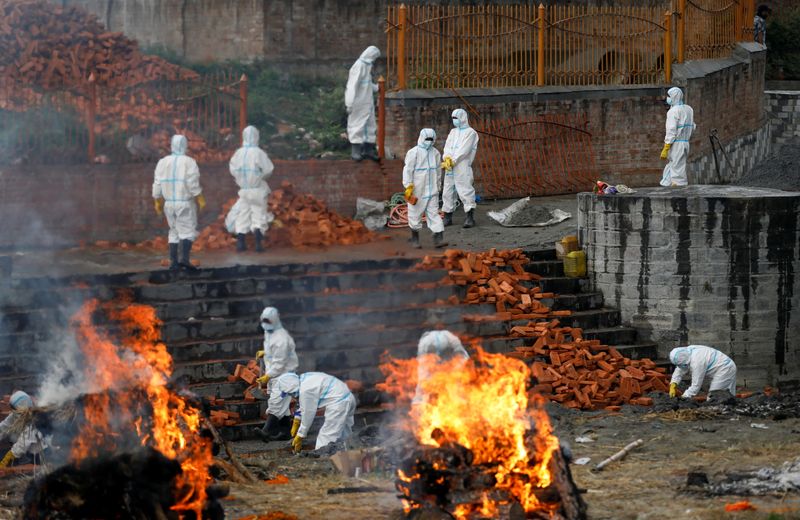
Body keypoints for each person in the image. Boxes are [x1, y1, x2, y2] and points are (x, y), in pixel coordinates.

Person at [153, 134, 205, 271]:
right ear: (185, 145)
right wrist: (200, 198)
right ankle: (184, 260)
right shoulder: (189, 162)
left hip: (169, 204)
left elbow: (157, 183)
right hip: (185, 203)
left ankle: (173, 262)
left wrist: (157, 200)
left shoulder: (162, 162)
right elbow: (192, 183)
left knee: (174, 231)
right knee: (187, 230)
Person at [271, 372, 356, 454]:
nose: (291, 395)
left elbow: (308, 413)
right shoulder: (303, 380)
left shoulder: (306, 391)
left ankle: (322, 458)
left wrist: (300, 435)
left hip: (340, 403)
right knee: (344, 433)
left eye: (290, 393)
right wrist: (297, 420)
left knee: (326, 436)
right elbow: (305, 405)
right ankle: (351, 452)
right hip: (348, 397)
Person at [225, 126, 275, 252]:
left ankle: (241, 244)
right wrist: (260, 177)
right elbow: (269, 169)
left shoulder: (238, 153)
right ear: (256, 136)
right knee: (259, 214)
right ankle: (258, 245)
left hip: (244, 190)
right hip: (257, 189)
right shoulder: (259, 153)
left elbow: (233, 170)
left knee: (243, 214)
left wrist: (241, 178)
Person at [253, 307, 299, 442]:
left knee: (276, 403)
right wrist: (265, 353)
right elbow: (273, 351)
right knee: (283, 408)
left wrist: (267, 376)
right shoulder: (270, 332)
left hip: (284, 375)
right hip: (275, 375)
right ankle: (285, 432)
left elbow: (280, 363)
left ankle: (266, 431)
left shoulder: (282, 339)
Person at [403, 128, 447, 249]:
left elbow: (438, 171)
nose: (429, 141)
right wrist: (408, 185)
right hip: (417, 190)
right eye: (427, 139)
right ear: (422, 138)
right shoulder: (414, 152)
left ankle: (438, 239)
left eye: (431, 139)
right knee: (414, 214)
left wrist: (438, 186)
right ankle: (415, 239)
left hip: (432, 191)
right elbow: (408, 170)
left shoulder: (436, 153)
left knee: (434, 214)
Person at [441, 108, 479, 228]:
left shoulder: (471, 133)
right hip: (450, 166)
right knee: (447, 190)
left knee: (465, 190)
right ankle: (448, 217)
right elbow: (447, 146)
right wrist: (446, 158)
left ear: (462, 118)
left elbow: (465, 150)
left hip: (462, 165)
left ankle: (469, 217)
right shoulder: (453, 132)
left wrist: (453, 160)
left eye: (456, 118)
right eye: (452, 118)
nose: (454, 120)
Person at [345, 46, 381, 162]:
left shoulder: (367, 66)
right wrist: (349, 103)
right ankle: (356, 150)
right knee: (357, 124)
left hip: (367, 102)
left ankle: (368, 149)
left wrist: (378, 88)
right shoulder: (359, 66)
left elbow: (367, 84)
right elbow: (352, 86)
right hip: (358, 102)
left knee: (370, 125)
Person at [414, 330, 469, 403]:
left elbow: (463, 356)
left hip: (452, 368)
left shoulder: (451, 339)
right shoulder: (426, 343)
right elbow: (421, 386)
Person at [0, 391, 50, 468]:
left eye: (14, 408)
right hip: (25, 452)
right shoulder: (15, 415)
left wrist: (7, 459)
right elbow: (3, 427)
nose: (12, 410)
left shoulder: (35, 420)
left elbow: (22, 444)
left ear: (21, 407)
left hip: (38, 455)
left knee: (37, 474)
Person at [669, 345, 737, 400]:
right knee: (726, 395)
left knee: (714, 397)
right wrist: (673, 383)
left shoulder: (697, 362)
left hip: (725, 368)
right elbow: (680, 369)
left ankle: (723, 413)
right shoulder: (686, 352)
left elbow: (696, 385)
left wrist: (684, 397)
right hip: (722, 366)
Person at [659, 87, 695, 187]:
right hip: (685, 142)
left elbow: (671, 131)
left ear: (674, 97)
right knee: (676, 166)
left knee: (677, 170)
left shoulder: (673, 112)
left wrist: (666, 147)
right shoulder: (688, 109)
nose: (668, 98)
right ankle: (667, 185)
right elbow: (693, 126)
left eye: (669, 96)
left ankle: (678, 191)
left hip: (676, 144)